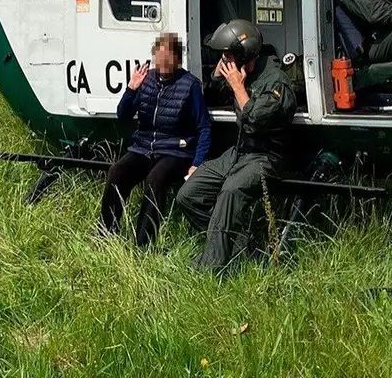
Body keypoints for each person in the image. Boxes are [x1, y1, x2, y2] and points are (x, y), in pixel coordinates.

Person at [174, 19, 298, 272]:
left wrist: (238, 87)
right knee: (189, 195)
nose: (225, 59)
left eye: (228, 55)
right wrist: (218, 75)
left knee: (231, 191)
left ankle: (212, 266)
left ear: (245, 53)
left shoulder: (275, 83)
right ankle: (242, 247)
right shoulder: (243, 72)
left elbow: (256, 120)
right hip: (240, 152)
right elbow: (210, 92)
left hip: (266, 157)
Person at [98, 32, 212, 247]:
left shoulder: (190, 85)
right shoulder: (147, 80)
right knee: (117, 172)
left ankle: (143, 244)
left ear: (177, 59)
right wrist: (131, 89)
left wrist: (197, 163)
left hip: (176, 150)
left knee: (155, 179)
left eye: (169, 58)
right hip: (143, 147)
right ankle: (105, 233)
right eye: (160, 58)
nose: (164, 63)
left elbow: (204, 127)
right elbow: (122, 114)